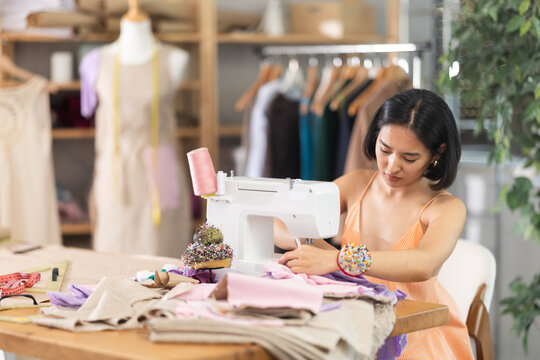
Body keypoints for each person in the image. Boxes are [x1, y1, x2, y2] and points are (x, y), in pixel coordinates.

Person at [275, 89, 474, 359]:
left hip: (414, 331)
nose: (392, 166)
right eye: (385, 149)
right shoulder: (355, 185)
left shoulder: (445, 208)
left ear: (437, 153)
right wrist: (308, 245)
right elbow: (278, 222)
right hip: (355, 322)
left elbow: (424, 264)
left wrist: (338, 260)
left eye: (409, 157)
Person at [79, 3, 191, 256]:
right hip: (115, 169)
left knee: (165, 258)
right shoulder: (95, 61)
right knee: (113, 255)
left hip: (161, 168)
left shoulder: (175, 58)